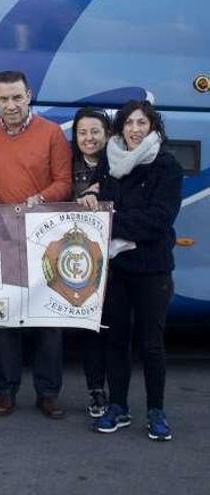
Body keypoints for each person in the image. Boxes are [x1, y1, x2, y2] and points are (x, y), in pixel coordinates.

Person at [78, 100, 182, 441]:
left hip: (152, 269)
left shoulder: (166, 164)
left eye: (142, 123)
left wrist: (109, 222)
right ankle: (118, 407)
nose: (135, 129)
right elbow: (98, 195)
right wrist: (91, 198)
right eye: (129, 123)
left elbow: (158, 220)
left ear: (153, 127)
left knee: (151, 344)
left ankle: (156, 411)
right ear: (120, 127)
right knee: (116, 341)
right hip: (118, 266)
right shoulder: (110, 159)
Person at [0, 70, 72, 419]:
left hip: (45, 238)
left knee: (48, 321)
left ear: (29, 95)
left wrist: (39, 199)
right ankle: (5, 392)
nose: (11, 105)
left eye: (17, 97)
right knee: (4, 319)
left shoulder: (51, 133)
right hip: (1, 240)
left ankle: (47, 393)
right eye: (3, 98)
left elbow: (64, 182)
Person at [70, 107, 113, 418]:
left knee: (117, 330)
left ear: (107, 134)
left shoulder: (119, 166)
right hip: (80, 263)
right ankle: (96, 391)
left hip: (117, 259)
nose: (88, 138)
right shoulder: (67, 167)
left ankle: (119, 394)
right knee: (90, 330)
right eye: (82, 132)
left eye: (95, 131)